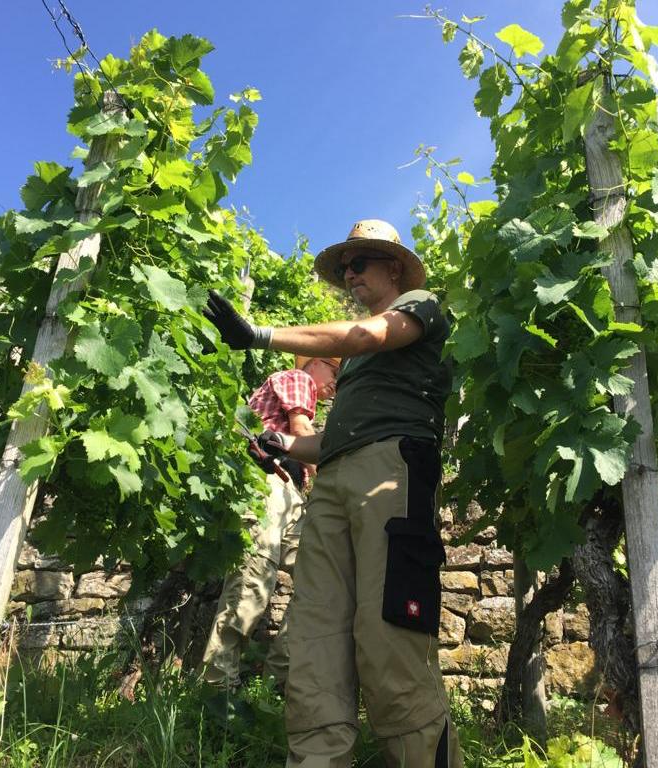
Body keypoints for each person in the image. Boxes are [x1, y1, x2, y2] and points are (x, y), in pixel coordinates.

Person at [203, 219, 462, 768]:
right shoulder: (355, 368)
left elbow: (367, 333)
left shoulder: (422, 305)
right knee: (313, 638)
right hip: (336, 480)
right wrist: (281, 443)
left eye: (358, 263)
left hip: (392, 472)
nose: (348, 275)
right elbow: (332, 441)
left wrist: (260, 334)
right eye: (344, 268)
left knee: (388, 633)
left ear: (392, 267)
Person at [201, 356, 339, 689]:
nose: (336, 382)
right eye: (334, 371)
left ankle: (277, 681)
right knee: (253, 579)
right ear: (315, 363)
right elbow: (301, 433)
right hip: (266, 482)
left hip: (288, 492)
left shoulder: (306, 394)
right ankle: (217, 691)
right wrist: (333, 484)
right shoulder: (298, 378)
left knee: (322, 577)